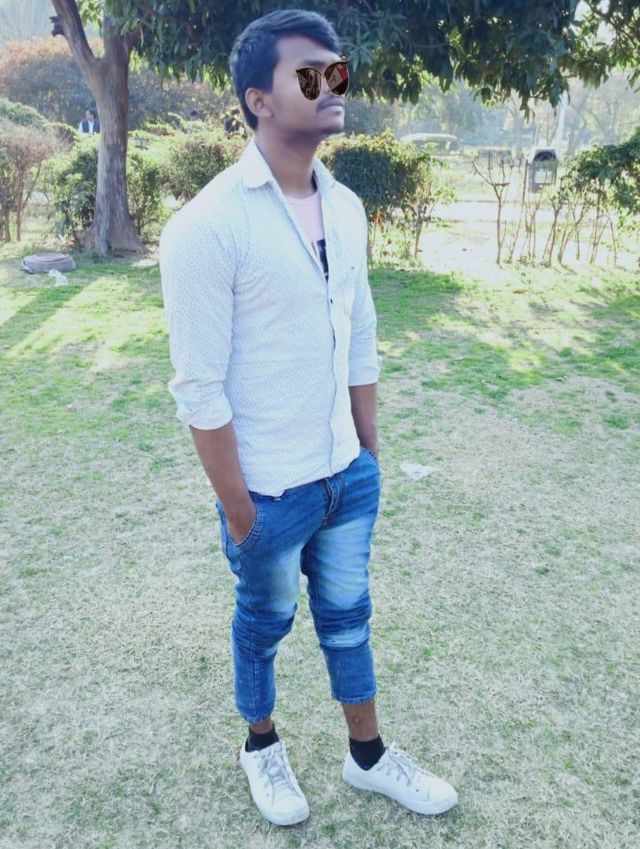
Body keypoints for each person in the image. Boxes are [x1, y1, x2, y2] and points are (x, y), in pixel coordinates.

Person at [159, 8, 458, 827]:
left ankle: (368, 755)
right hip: (269, 490)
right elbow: (199, 389)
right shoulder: (208, 226)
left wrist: (368, 457)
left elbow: (359, 336)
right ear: (258, 100)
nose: (333, 86)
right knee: (263, 625)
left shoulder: (348, 208)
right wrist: (240, 511)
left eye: (338, 71)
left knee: (350, 620)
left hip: (345, 477)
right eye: (309, 74)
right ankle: (260, 743)